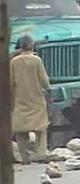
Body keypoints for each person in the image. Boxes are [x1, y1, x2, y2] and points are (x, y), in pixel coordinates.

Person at [11, 35, 50, 164]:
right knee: (41, 129)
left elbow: (10, 83)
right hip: (36, 99)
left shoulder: (14, 62)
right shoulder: (37, 60)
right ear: (32, 45)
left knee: (21, 130)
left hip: (20, 100)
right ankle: (41, 154)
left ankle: (25, 157)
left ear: (20, 46)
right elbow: (44, 81)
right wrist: (48, 90)